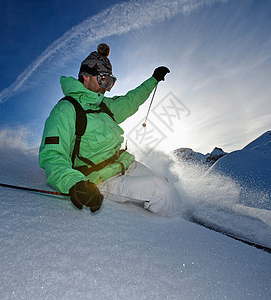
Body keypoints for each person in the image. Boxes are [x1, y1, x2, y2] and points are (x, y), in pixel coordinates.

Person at [39, 43, 180, 215]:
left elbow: (131, 100)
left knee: (166, 183)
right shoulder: (66, 110)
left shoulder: (104, 106)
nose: (106, 88)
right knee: (161, 190)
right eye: (103, 80)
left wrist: (154, 79)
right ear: (86, 77)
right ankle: (172, 227)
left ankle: (181, 213)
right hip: (100, 178)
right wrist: (75, 184)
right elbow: (53, 156)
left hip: (123, 163)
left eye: (110, 82)